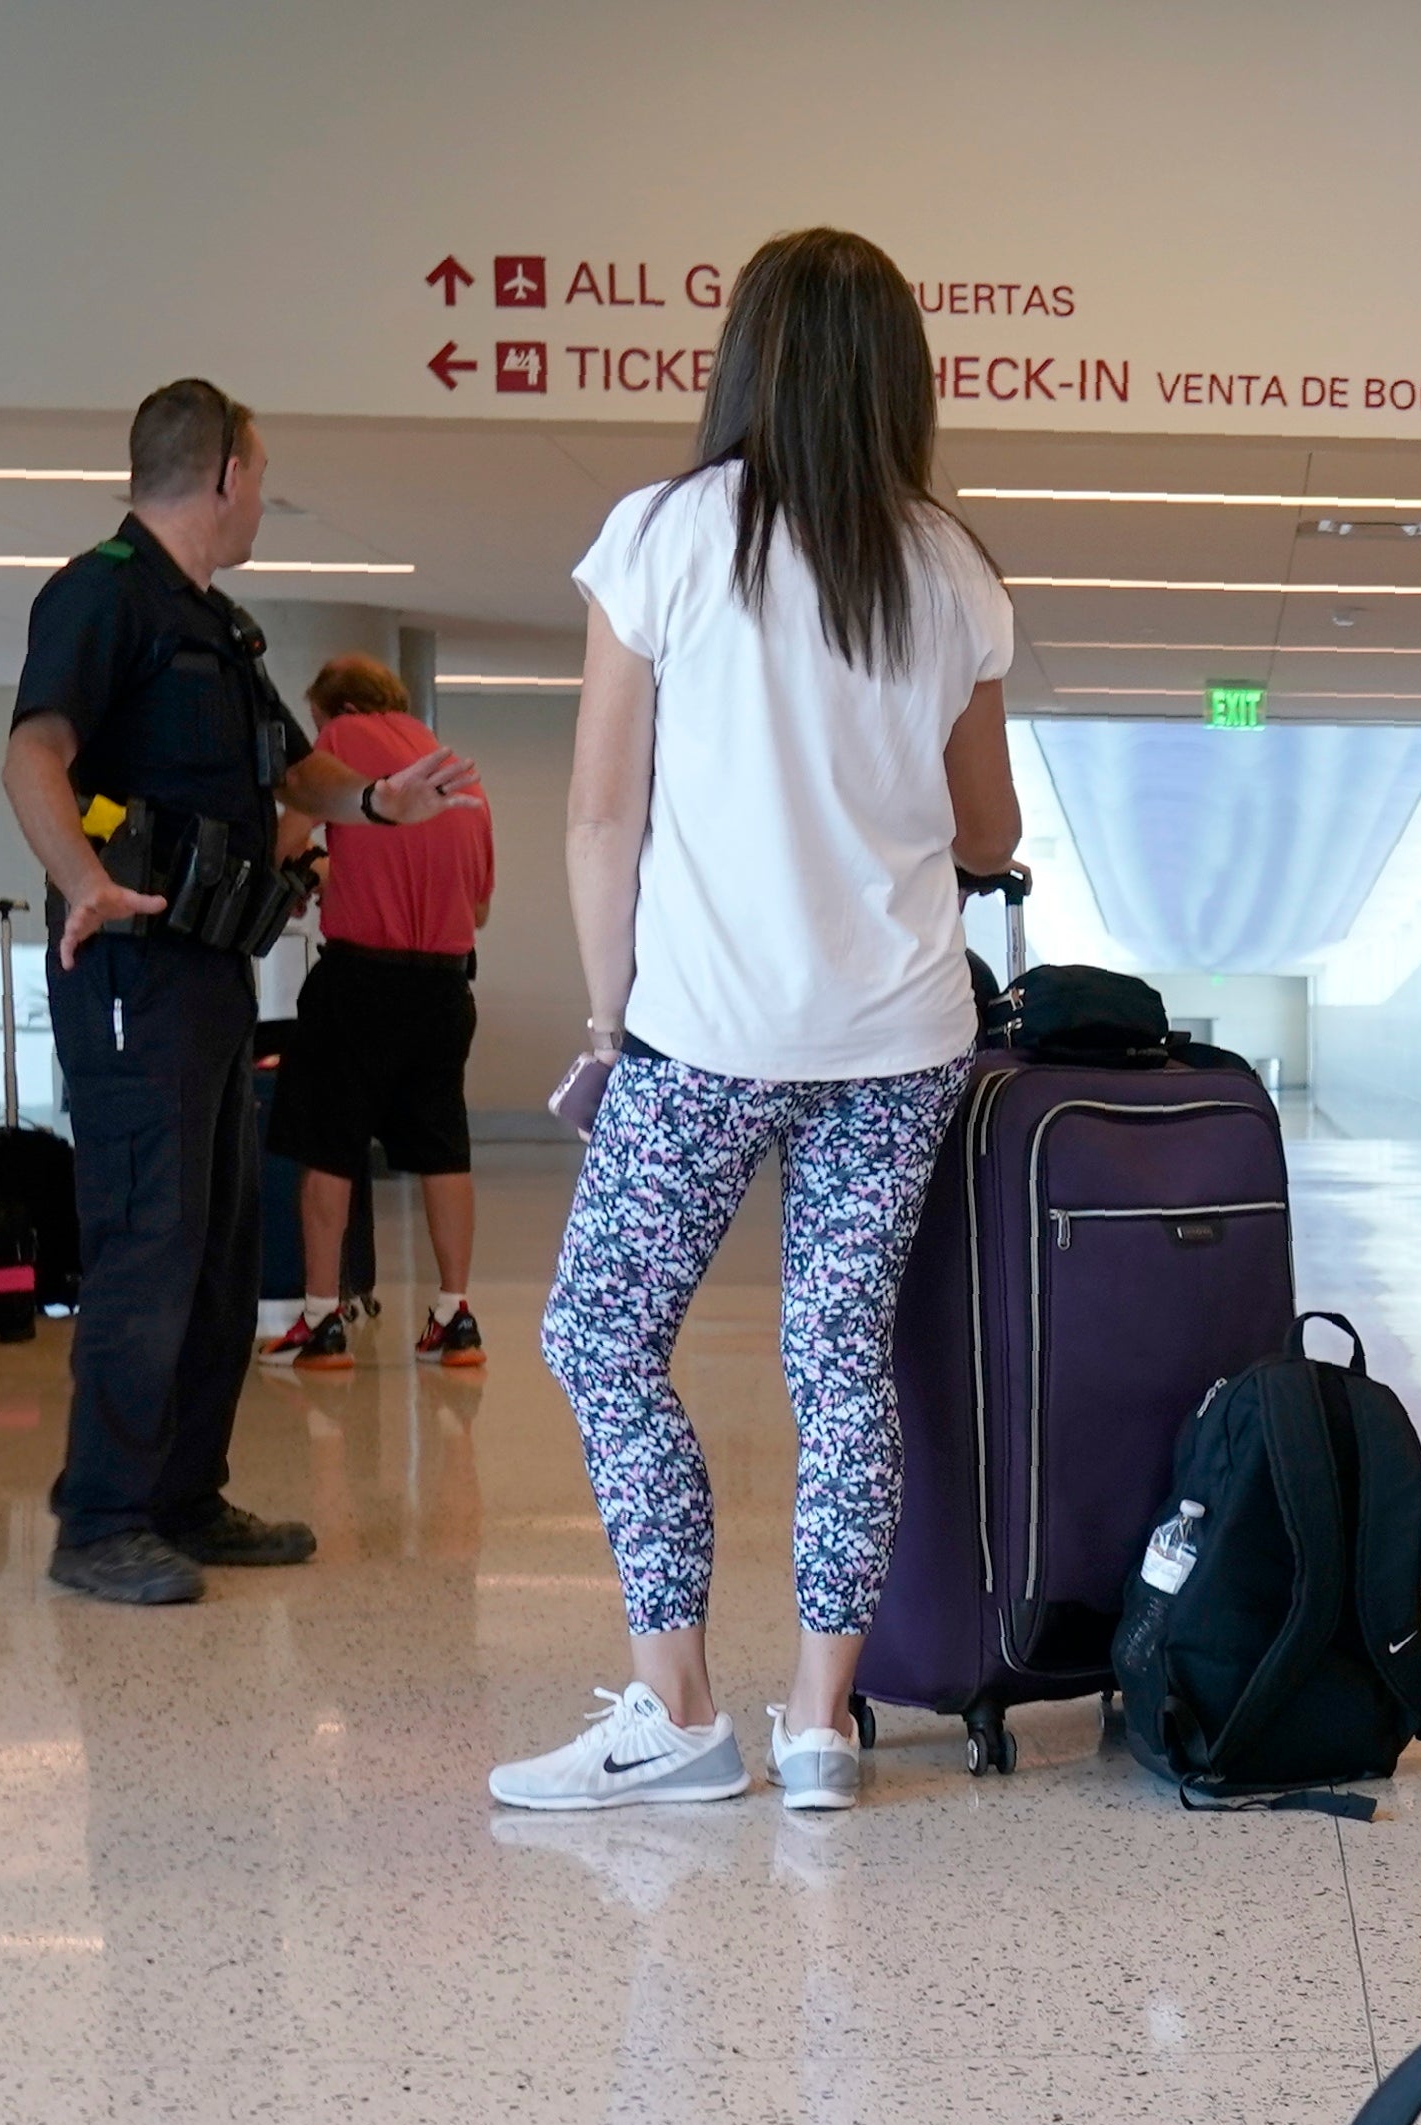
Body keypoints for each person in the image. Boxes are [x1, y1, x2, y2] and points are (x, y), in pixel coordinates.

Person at [491, 227, 1018, 1817]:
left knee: (600, 1332)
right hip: (899, 1033)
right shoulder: (948, 563)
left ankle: (677, 1707)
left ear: (745, 363)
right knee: (837, 1360)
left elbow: (601, 817)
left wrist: (606, 1015)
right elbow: (986, 834)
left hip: (703, 1032)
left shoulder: (665, 536)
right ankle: (816, 1727)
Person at [0, 378, 480, 1608]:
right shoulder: (100, 593)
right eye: (260, 476)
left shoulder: (216, 623)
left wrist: (377, 801)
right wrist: (83, 883)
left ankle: (182, 1495)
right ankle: (100, 1519)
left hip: (210, 965)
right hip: (128, 966)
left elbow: (292, 767)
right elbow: (32, 755)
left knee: (215, 1242)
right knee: (146, 1240)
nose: (263, 498)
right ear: (219, 475)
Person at [261, 652, 495, 1374]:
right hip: (445, 988)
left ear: (331, 713)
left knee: (328, 1145)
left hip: (360, 980)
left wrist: (322, 872)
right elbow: (478, 908)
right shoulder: (460, 771)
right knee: (443, 1147)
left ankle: (320, 1320)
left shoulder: (338, 747)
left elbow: (285, 843)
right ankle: (455, 1316)